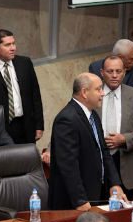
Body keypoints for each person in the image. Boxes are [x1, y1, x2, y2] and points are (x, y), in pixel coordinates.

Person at [49, 73, 127, 211]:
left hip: (96, 194)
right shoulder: (66, 119)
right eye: (98, 89)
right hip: (74, 203)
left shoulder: (93, 115)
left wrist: (114, 184)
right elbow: (68, 166)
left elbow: (104, 152)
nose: (102, 93)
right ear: (84, 92)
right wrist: (80, 201)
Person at [96, 55, 133, 199]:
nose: (114, 75)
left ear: (124, 72)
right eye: (110, 71)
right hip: (96, 164)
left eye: (118, 71)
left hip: (124, 164)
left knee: (123, 209)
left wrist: (125, 139)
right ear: (102, 72)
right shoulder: (92, 94)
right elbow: (72, 121)